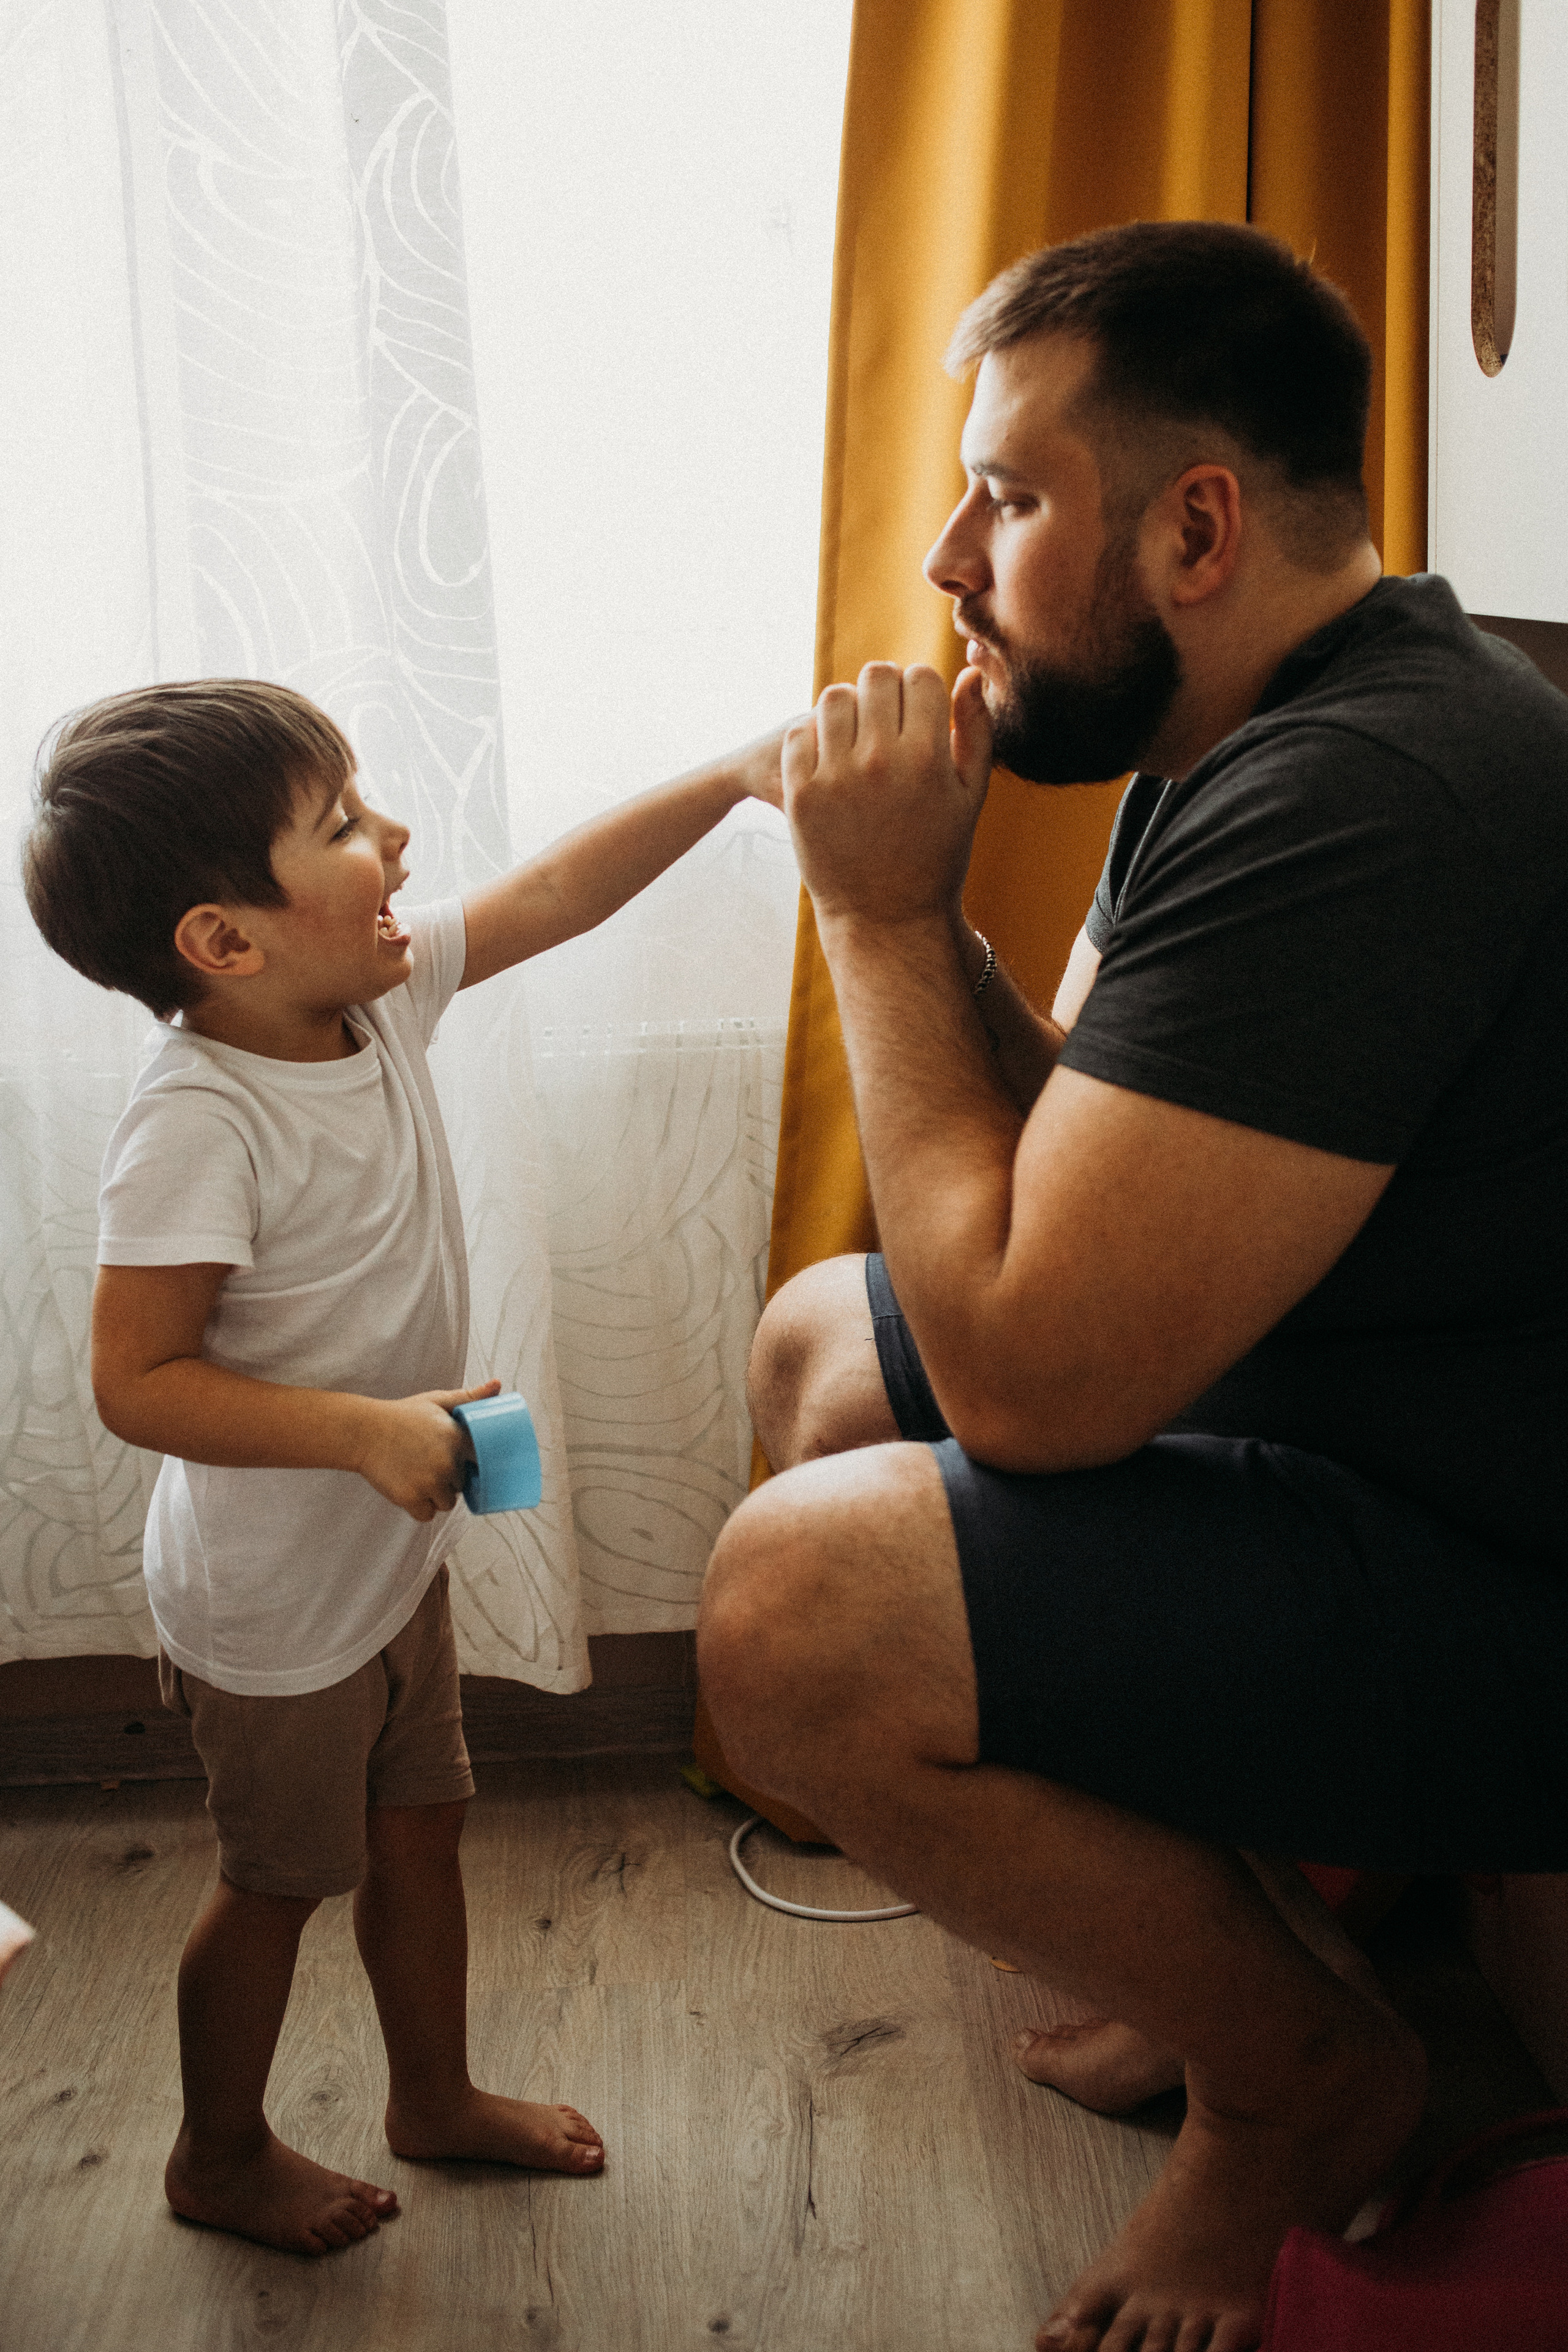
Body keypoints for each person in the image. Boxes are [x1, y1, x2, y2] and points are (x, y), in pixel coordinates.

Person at [696, 219, 1568, 2352]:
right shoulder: (1263, 722)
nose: (944, 557)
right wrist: (950, 946)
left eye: (1005, 494)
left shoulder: (1363, 796)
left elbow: (1031, 1385)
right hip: (1365, 1414)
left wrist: (884, 928)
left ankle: (1298, 2076)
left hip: (1509, 1569)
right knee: (825, 1337)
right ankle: (1226, 1958)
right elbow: (1104, 1134)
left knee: (791, 1612)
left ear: (1195, 525)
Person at [23, 680, 784, 2256]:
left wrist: (728, 776)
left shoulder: (374, 993)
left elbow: (558, 893)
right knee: (278, 1879)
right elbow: (136, 1382)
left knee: (422, 1826)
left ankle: (429, 2096)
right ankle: (214, 2157)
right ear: (225, 942)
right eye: (342, 825)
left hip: (378, 1563)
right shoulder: (197, 1119)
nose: (396, 840)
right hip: (273, 1608)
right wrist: (367, 1431)